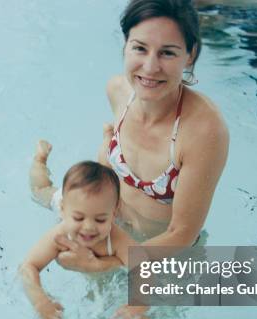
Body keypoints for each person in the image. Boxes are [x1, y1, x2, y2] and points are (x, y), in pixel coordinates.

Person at [54, 0, 229, 282]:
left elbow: (182, 234)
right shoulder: (118, 91)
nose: (150, 67)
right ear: (125, 45)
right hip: (111, 233)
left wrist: (104, 264)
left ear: (190, 55)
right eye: (140, 48)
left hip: (167, 259)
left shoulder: (204, 131)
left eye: (167, 53)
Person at [21, 152, 139, 319]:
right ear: (64, 210)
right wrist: (40, 301)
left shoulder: (116, 238)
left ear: (113, 214)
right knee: (40, 190)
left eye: (100, 219)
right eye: (79, 219)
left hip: (81, 204)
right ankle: (40, 159)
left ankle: (108, 141)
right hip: (66, 200)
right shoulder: (60, 232)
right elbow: (28, 266)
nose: (89, 227)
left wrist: (140, 304)